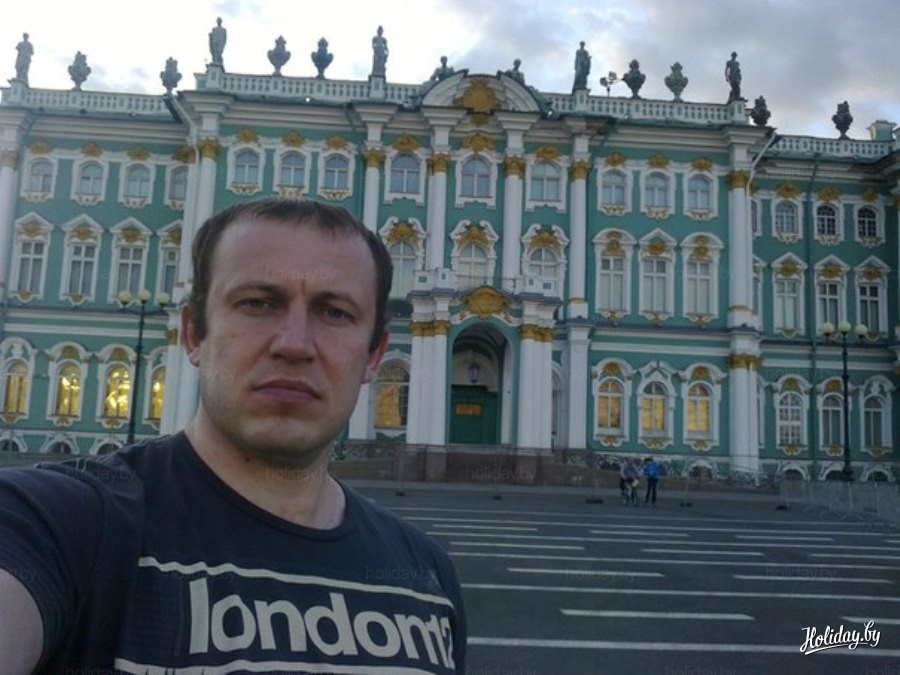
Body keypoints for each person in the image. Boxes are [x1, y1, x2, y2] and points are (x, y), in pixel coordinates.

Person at [0, 198, 467, 673]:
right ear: (193, 334)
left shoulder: (428, 578)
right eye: (257, 303)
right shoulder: (58, 524)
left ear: (373, 356)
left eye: (334, 312)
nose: (294, 345)